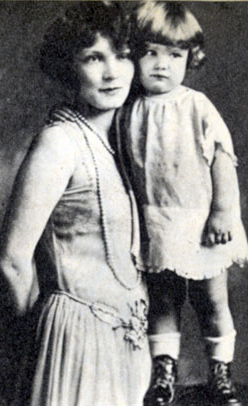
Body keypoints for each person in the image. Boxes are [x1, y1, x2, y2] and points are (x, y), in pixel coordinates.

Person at [0, 2, 151, 405]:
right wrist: (46, 336)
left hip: (125, 341)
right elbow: (11, 260)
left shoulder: (118, 143)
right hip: (75, 344)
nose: (112, 72)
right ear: (69, 67)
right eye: (94, 58)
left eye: (122, 55)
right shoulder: (60, 142)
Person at [118, 2, 248, 405]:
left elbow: (222, 157)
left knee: (211, 301)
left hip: (203, 223)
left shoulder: (196, 106)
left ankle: (220, 373)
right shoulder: (128, 109)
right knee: (163, 302)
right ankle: (164, 376)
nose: (162, 64)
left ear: (190, 59)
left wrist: (224, 212)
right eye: (151, 52)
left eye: (175, 55)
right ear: (133, 54)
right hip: (157, 225)